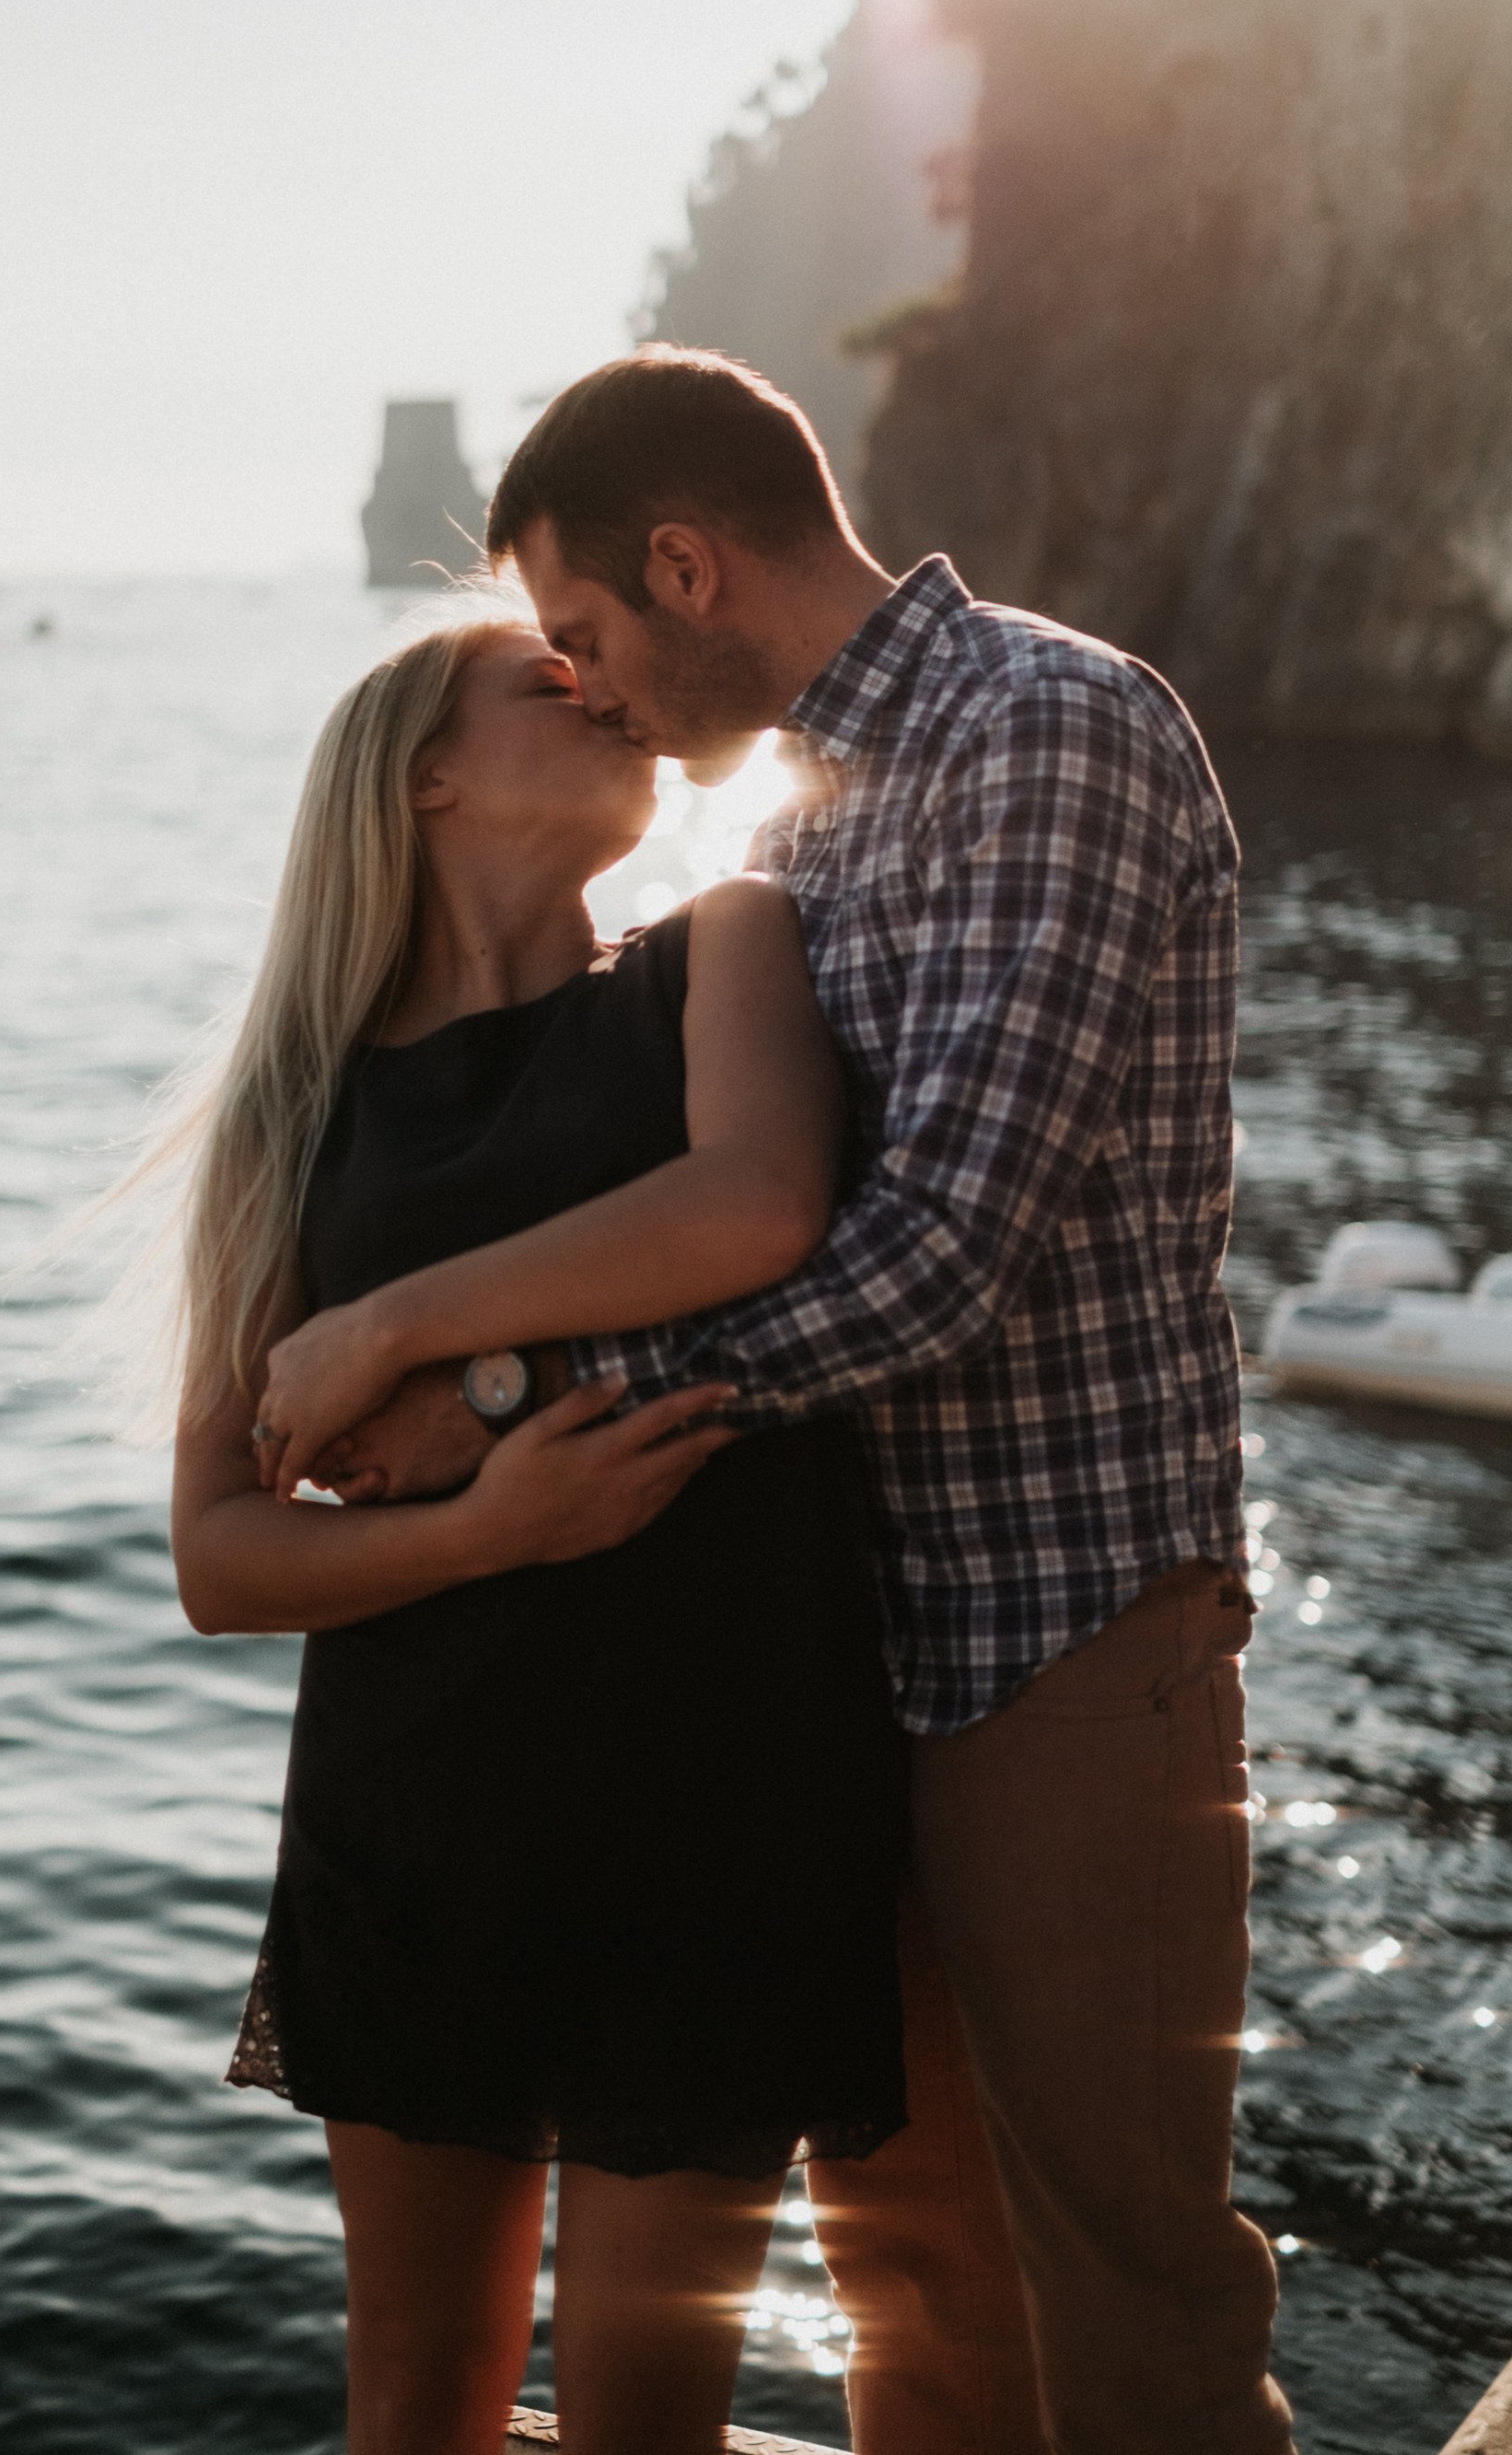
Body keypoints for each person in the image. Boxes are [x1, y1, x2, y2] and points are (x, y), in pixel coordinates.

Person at [264, 350, 1297, 2455]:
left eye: (583, 631)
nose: (589, 686)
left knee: (1126, 2287)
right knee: (918, 2289)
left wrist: (496, 1400)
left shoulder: (1044, 728)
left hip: (1064, 1629)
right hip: (827, 1674)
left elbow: (935, 1259)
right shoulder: (802, 823)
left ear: (685, 566)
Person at [164, 613, 907, 2455]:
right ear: (426, 776)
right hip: (420, 1817)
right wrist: (498, 1527)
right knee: (418, 2392)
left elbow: (758, 1203)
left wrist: (403, 1334)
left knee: (649, 2415)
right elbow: (221, 1556)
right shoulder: (296, 1112)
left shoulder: (724, 946)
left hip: (720, 1787)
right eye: (548, 683)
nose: (612, 699)